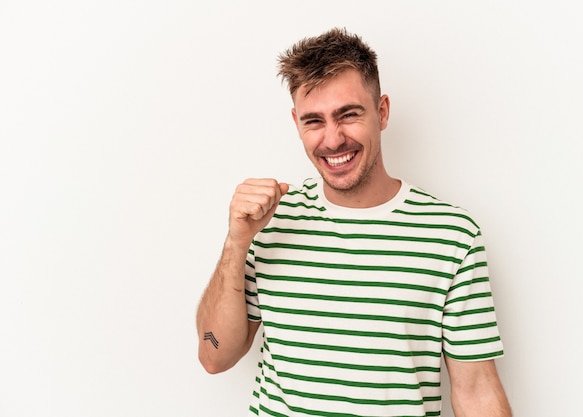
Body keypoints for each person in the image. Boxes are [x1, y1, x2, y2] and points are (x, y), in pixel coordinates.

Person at [196, 27, 512, 417]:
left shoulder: (452, 236)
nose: (332, 140)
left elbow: (477, 390)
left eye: (348, 115)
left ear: (381, 112)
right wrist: (236, 242)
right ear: (296, 123)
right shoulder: (269, 222)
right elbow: (214, 355)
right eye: (314, 121)